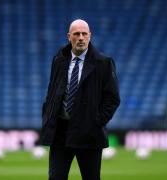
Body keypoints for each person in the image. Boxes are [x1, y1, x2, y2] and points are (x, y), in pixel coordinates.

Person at [40, 19, 120, 180]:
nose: (81, 38)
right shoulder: (59, 60)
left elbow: (112, 98)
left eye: (84, 34)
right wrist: (47, 116)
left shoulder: (103, 63)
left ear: (90, 36)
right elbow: (52, 92)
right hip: (61, 132)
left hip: (89, 134)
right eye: (77, 34)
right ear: (69, 37)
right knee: (55, 177)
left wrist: (96, 122)